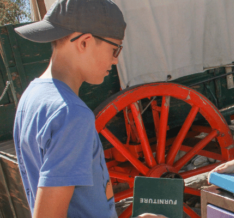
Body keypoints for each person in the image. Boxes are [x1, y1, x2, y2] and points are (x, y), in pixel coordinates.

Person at [12, 1, 163, 217]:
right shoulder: (72, 114)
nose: (115, 60)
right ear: (84, 42)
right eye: (114, 49)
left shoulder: (30, 97)